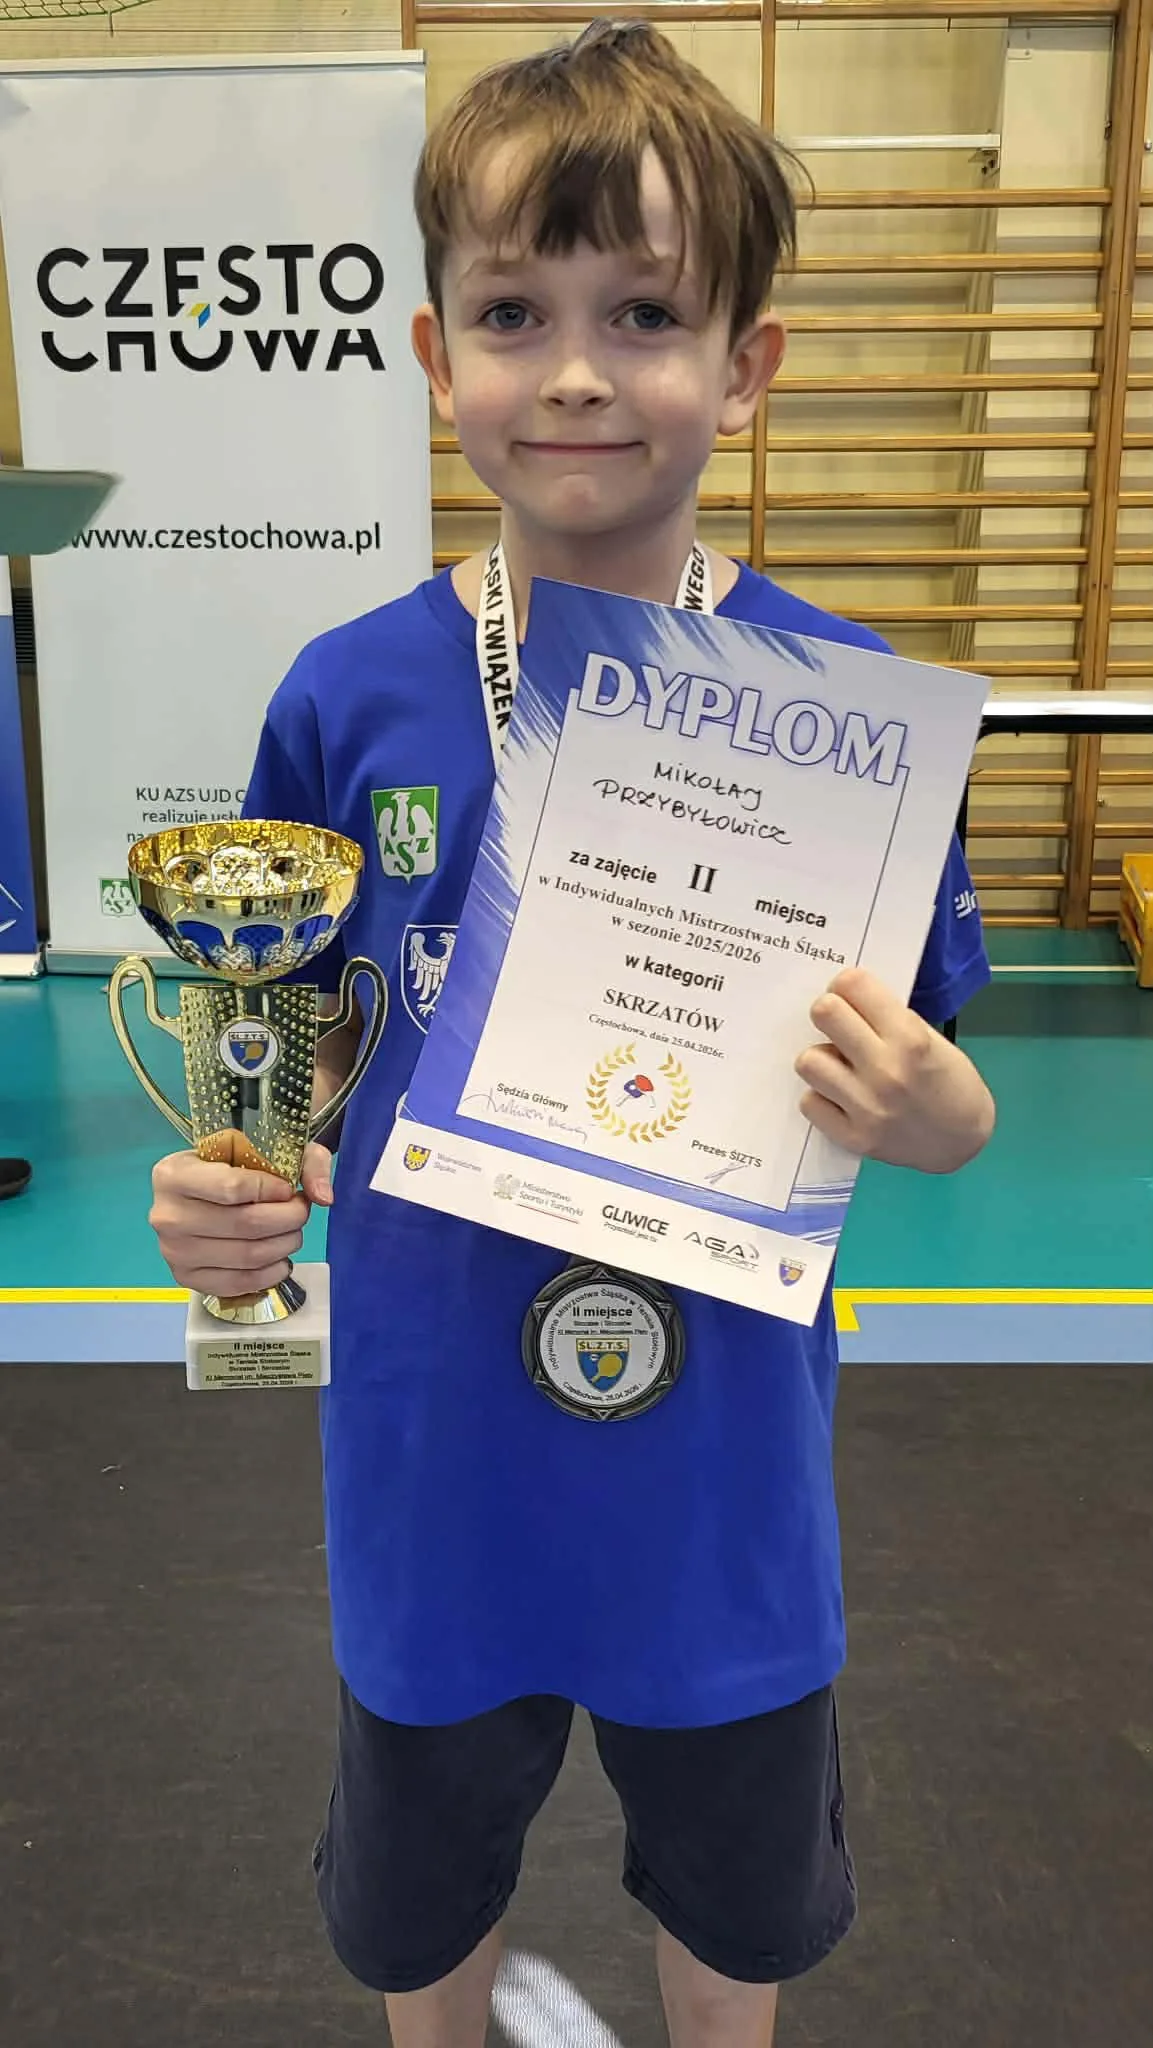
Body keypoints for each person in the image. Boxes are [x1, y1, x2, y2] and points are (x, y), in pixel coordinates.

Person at [148, 24, 995, 2047]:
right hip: (434, 1453)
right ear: (433, 357)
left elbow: (944, 1086)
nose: (581, 372)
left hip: (720, 1471)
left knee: (739, 1908)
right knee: (416, 1909)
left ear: (748, 364)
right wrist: (227, 1197)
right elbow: (288, 1053)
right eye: (515, 313)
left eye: (647, 314)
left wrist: (940, 1110)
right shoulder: (349, 694)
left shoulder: (843, 706)